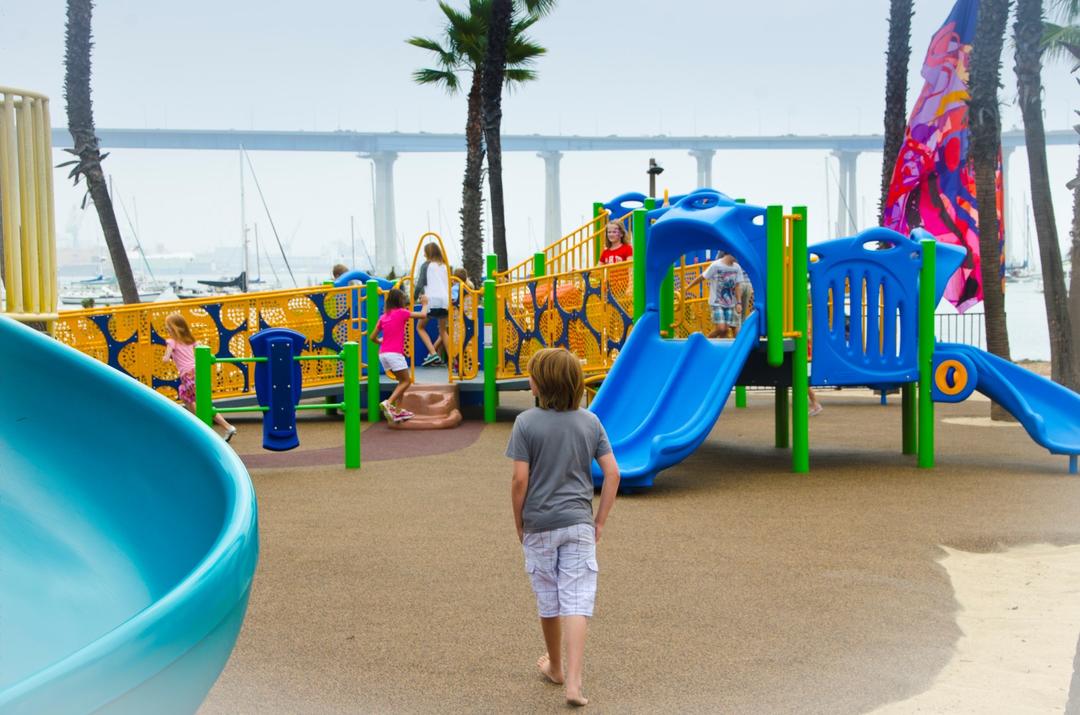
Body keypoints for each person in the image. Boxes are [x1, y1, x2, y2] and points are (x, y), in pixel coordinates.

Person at [506, 348, 621, 707]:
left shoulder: (526, 422)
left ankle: (554, 665)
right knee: (577, 599)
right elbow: (613, 474)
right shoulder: (590, 421)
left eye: (531, 374)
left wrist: (519, 521)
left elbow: (519, 480)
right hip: (579, 523)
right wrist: (599, 520)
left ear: (540, 384)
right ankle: (573, 683)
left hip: (540, 523)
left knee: (549, 599)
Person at [162, 313, 237, 441]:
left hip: (187, 375)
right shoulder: (191, 340)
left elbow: (165, 359)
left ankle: (227, 426)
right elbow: (201, 351)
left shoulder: (172, 342)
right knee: (185, 396)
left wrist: (166, 357)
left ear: (174, 328)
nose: (166, 329)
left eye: (168, 326)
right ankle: (199, 424)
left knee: (203, 404)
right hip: (195, 373)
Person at [373, 288, 429, 422]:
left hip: (383, 354)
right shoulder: (401, 313)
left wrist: (380, 341)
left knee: (401, 382)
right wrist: (425, 304)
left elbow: (372, 337)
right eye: (403, 299)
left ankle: (398, 411)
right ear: (399, 301)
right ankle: (389, 403)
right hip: (394, 354)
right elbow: (423, 315)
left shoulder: (383, 316)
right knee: (406, 381)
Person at [684, 252, 743, 338]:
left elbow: (737, 286)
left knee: (725, 330)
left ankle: (720, 349)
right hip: (716, 302)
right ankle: (705, 342)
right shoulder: (716, 265)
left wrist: (739, 302)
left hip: (729, 303)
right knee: (721, 328)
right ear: (730, 252)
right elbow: (702, 277)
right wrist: (688, 287)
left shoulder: (736, 267)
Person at [413, 243, 451, 367]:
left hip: (432, 300)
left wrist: (412, 298)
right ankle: (455, 360)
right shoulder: (445, 266)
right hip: (445, 300)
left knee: (420, 327)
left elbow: (420, 284)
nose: (423, 254)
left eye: (425, 252)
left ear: (429, 253)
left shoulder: (426, 265)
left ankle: (433, 353)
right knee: (442, 331)